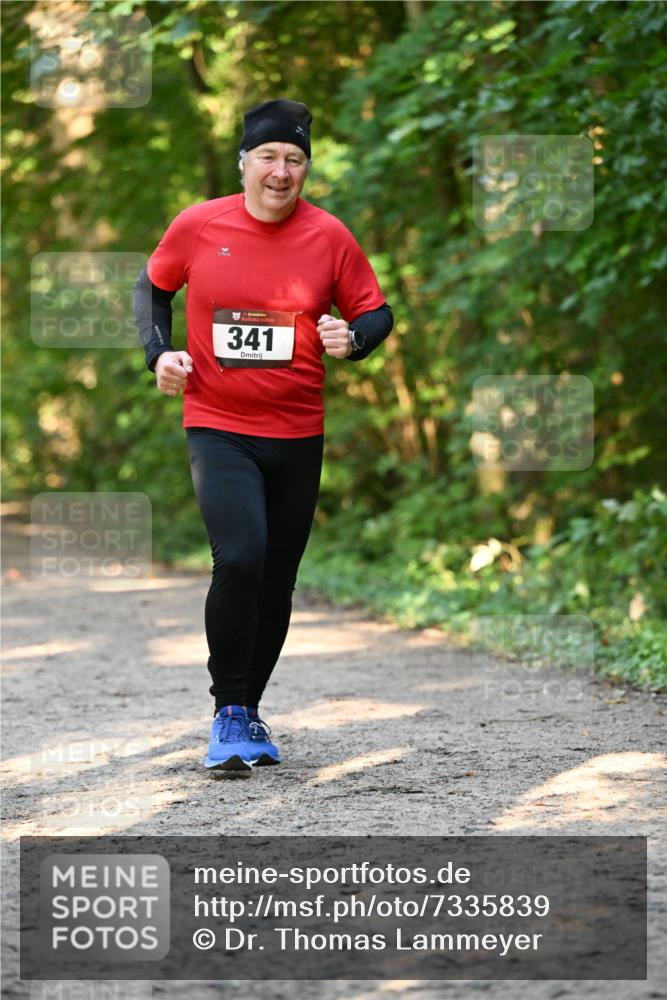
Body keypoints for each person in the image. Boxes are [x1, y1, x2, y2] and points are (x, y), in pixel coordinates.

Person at [133, 99, 393, 776]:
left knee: (276, 578)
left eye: (295, 159)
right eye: (270, 157)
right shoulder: (198, 225)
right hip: (218, 425)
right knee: (241, 555)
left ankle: (249, 709)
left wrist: (354, 338)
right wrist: (158, 354)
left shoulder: (328, 237)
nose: (282, 172)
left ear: (305, 168)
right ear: (244, 162)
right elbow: (151, 289)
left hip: (298, 431)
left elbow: (374, 310)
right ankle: (227, 708)